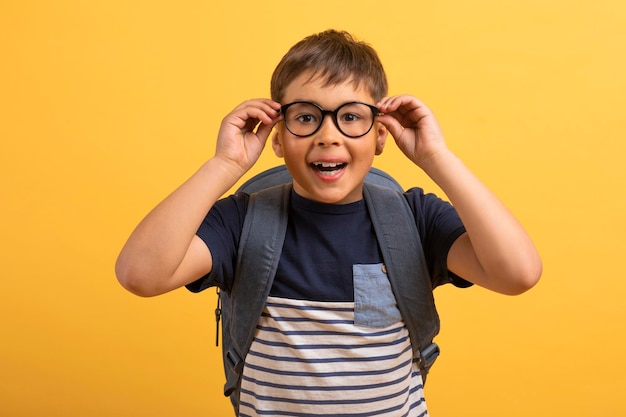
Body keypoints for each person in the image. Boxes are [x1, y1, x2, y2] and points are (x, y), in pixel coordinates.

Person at [116, 29, 542, 416]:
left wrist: (437, 158)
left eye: (351, 116)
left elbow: (518, 274)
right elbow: (140, 274)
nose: (329, 135)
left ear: (380, 135)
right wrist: (225, 163)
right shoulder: (242, 222)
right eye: (305, 116)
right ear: (278, 138)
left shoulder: (414, 220)